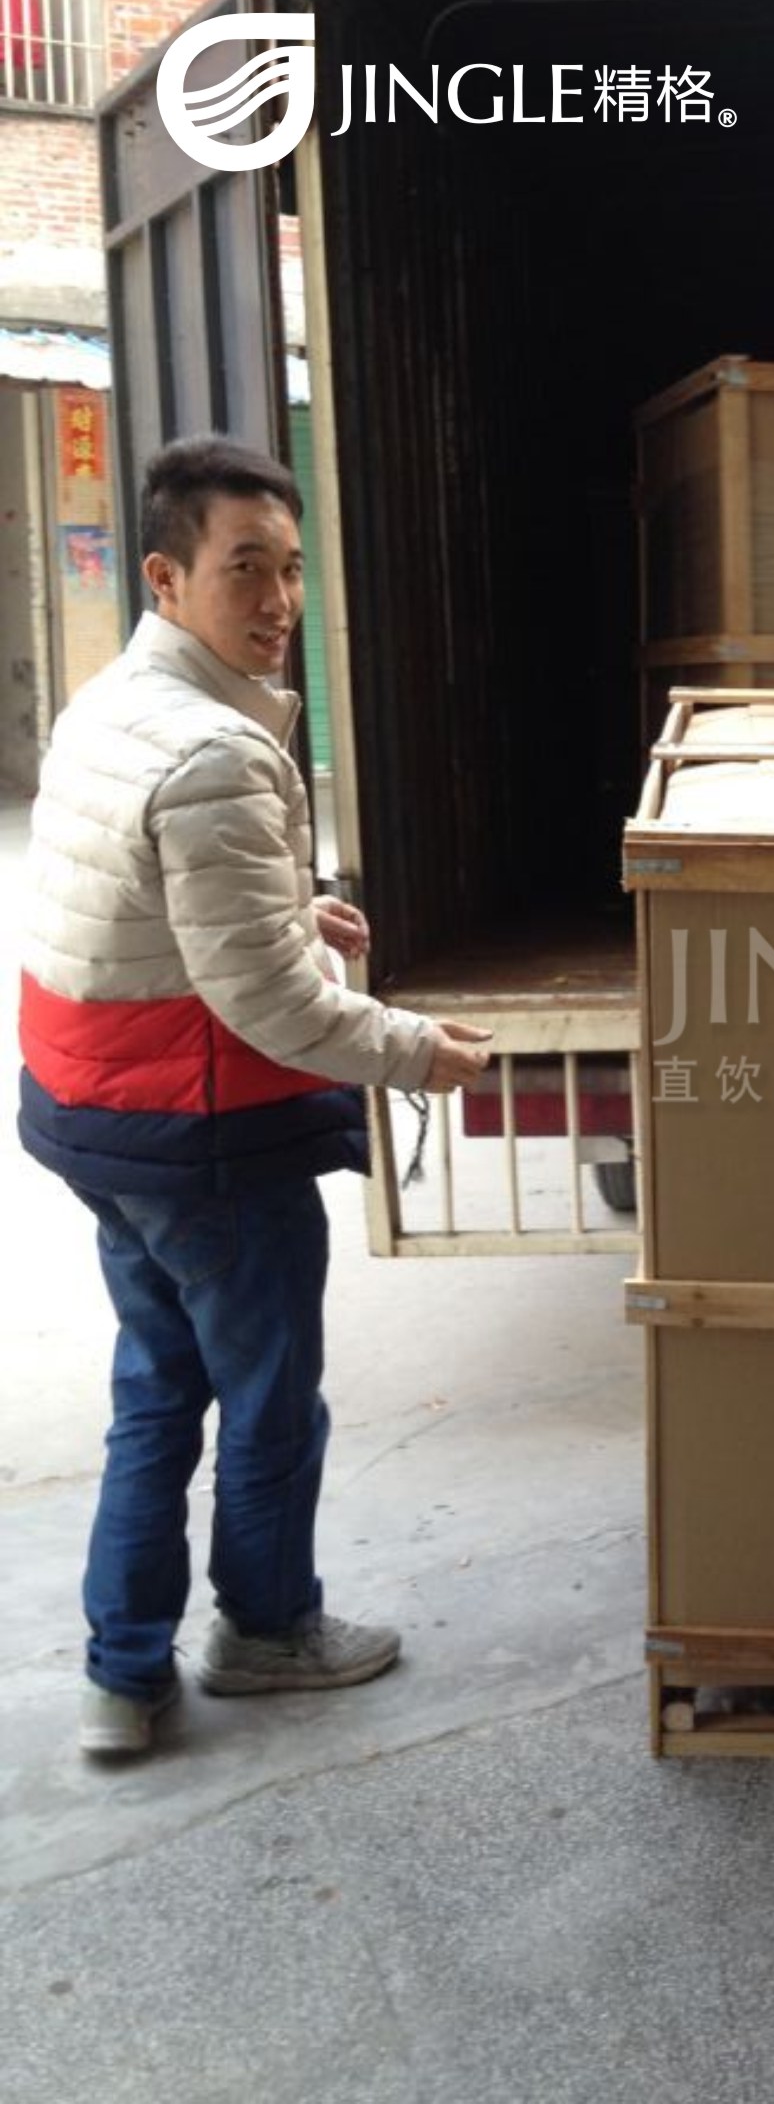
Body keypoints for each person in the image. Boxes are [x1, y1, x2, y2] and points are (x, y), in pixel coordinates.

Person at [20, 435, 494, 1760]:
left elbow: (155, 906)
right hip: (203, 1133)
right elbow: (271, 1007)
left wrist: (292, 906)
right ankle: (269, 1628)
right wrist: (414, 1048)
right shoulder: (216, 750)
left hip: (95, 1115)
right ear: (166, 577)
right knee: (270, 1395)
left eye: (289, 569)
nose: (279, 600)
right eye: (245, 569)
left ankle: (121, 1678)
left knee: (156, 1389)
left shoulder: (110, 703)